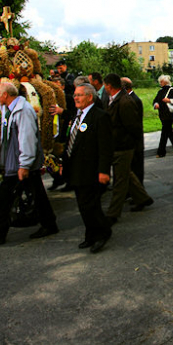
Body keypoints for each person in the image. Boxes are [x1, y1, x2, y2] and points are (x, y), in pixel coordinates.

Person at [0, 83, 59, 246]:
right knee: (37, 193)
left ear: (6, 95)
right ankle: (49, 224)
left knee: (5, 196)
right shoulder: (9, 109)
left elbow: (26, 138)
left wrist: (24, 165)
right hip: (15, 162)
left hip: (20, 163)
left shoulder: (23, 111)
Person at [55, 83, 112, 253]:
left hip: (91, 170)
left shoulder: (100, 116)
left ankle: (103, 233)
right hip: (76, 169)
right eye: (75, 95)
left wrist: (103, 171)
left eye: (79, 95)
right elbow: (71, 142)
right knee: (82, 204)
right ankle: (91, 234)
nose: (76, 98)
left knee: (90, 205)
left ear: (89, 97)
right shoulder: (77, 115)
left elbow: (105, 147)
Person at [103, 76, 154, 223]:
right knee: (126, 174)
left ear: (109, 86)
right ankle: (143, 198)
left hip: (124, 146)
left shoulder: (125, 102)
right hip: (116, 145)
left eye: (105, 86)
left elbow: (134, 127)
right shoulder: (113, 99)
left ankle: (113, 214)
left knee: (120, 180)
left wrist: (133, 145)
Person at [121, 77, 145, 185]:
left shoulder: (133, 100)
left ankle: (139, 193)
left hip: (134, 140)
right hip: (133, 139)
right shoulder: (129, 99)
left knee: (136, 167)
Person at [153, 75, 173, 157]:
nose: (160, 83)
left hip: (170, 115)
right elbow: (155, 100)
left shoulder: (171, 90)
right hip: (162, 114)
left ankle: (161, 152)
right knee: (169, 131)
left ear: (165, 82)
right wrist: (156, 104)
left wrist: (169, 100)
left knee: (164, 133)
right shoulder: (160, 91)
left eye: (161, 81)